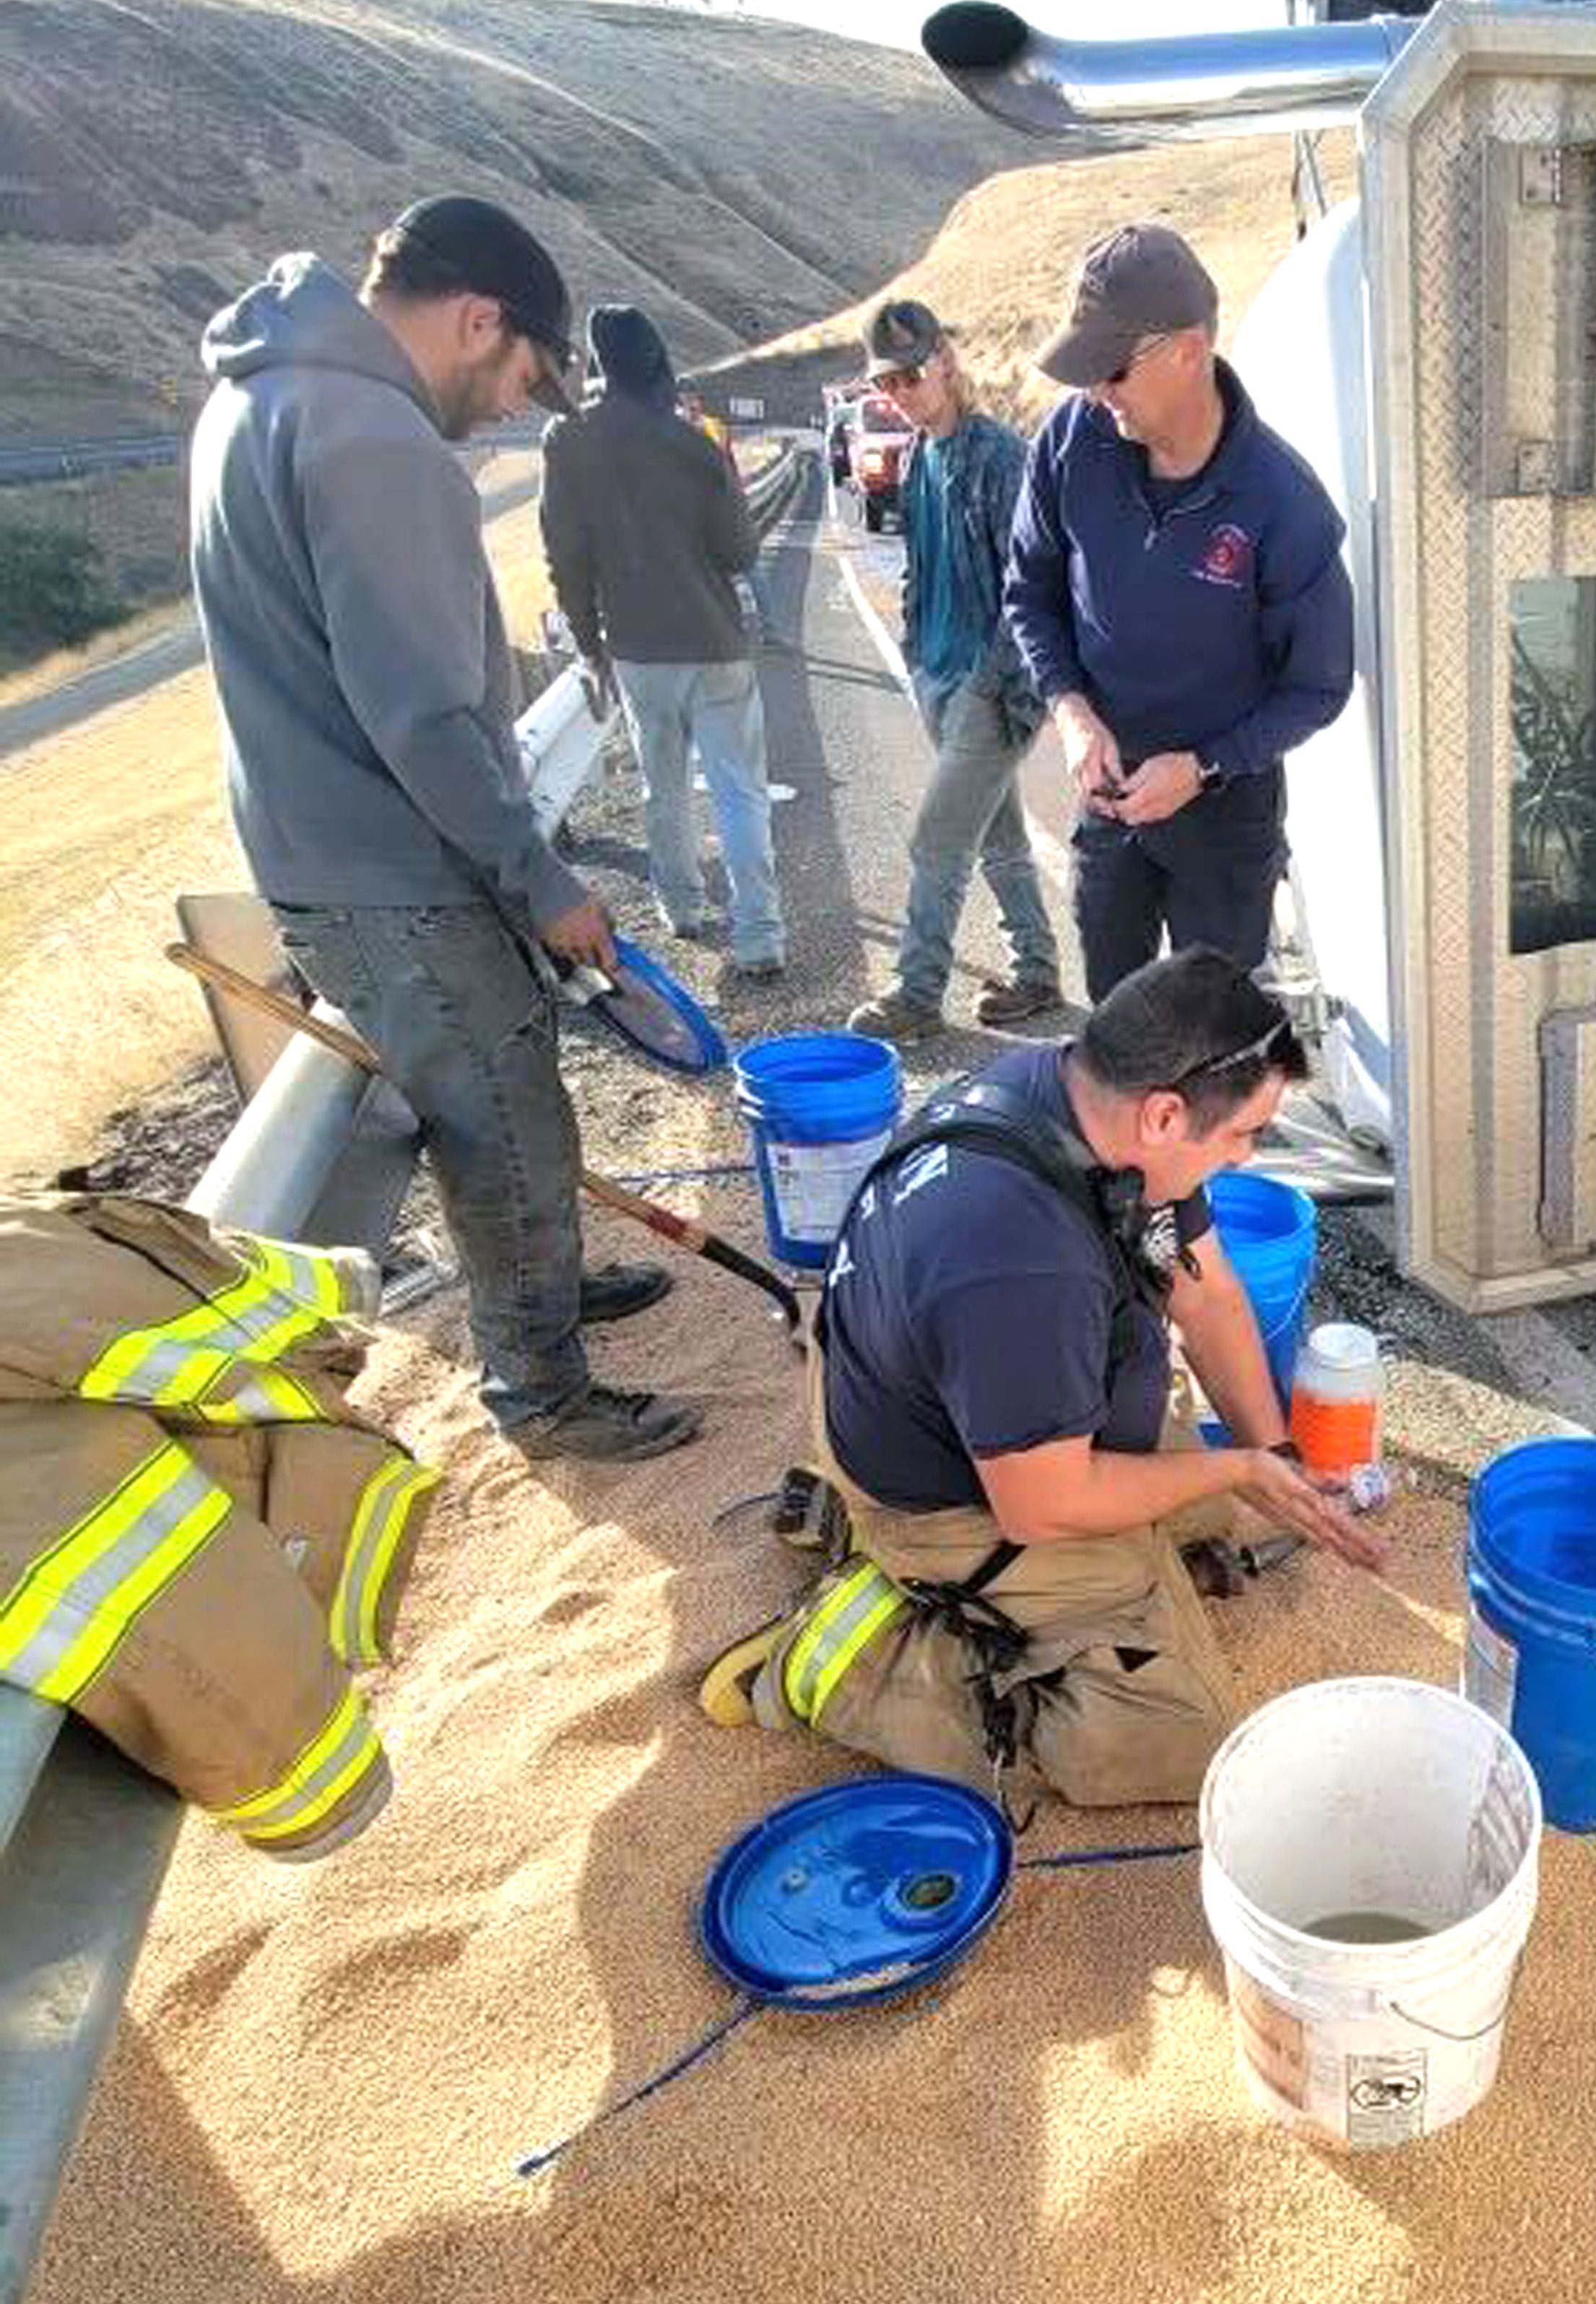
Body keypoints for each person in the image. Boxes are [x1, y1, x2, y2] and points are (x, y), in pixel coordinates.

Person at [188, 196, 698, 1463]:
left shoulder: (260, 395)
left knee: (502, 1102)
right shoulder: (374, 438)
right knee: (506, 1117)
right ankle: (542, 1393)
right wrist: (536, 877)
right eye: (527, 368)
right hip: (393, 863)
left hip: (333, 849)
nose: (521, 401)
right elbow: (420, 714)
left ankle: (542, 1301)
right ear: (480, 318)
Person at [704, 949, 1382, 1803]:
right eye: (1245, 1134)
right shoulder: (1021, 1257)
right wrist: (1238, 1467)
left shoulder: (1074, 1091)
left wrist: (1273, 1454)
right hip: (969, 1492)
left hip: (952, 1396)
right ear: (1167, 1116)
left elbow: (1207, 1302)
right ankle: (855, 1655)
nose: (1246, 1159)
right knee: (1184, 1742)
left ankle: (890, 1537)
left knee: (1221, 1517)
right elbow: (1042, 1504)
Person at [1005, 224, 1353, 997]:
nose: (1096, 391)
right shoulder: (1070, 443)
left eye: (1114, 369)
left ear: (1190, 351)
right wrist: (1071, 712)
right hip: (1109, 789)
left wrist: (1203, 766)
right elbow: (1030, 590)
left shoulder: (1284, 504)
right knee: (1114, 1019)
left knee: (1209, 1036)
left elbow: (1318, 688)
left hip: (1225, 812)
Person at [539, 305, 786, 984]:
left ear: (597, 364)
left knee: (664, 786)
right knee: (739, 792)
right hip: (714, 641)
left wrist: (589, 645)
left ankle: (681, 906)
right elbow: (738, 549)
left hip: (638, 649)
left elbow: (566, 554)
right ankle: (760, 934)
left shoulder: (567, 441)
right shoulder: (694, 442)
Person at [843, 299, 1064, 1047]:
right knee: (996, 833)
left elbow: (1032, 583)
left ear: (945, 360)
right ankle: (1036, 972)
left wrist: (988, 684)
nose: (901, 393)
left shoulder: (998, 456)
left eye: (910, 374)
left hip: (989, 687)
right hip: (938, 675)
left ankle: (917, 992)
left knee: (938, 838)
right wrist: (915, 653)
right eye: (888, 383)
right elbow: (920, 566)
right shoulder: (919, 457)